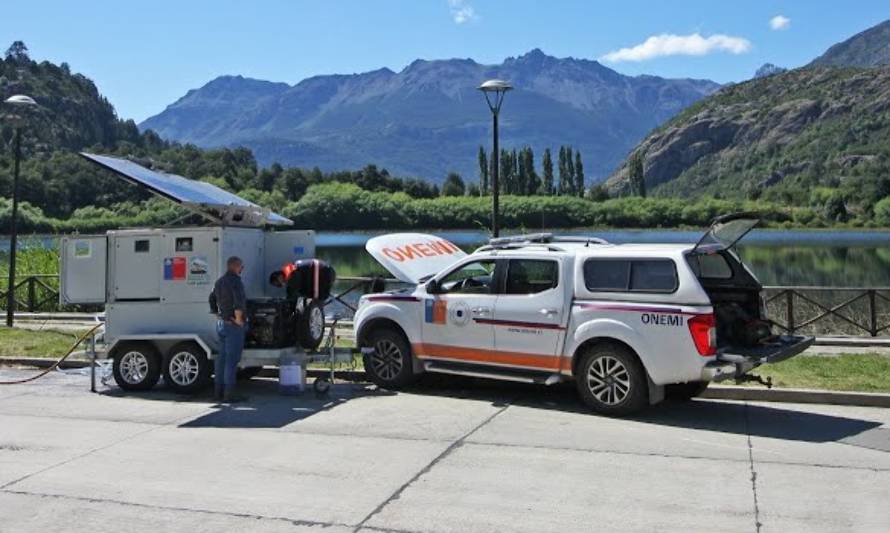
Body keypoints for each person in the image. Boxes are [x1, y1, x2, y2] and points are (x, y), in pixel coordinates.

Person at [210, 256, 248, 403]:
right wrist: (239, 320)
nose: (242, 269)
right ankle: (229, 394)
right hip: (233, 325)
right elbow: (238, 302)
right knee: (231, 360)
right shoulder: (236, 282)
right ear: (236, 266)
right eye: (241, 267)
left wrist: (217, 313)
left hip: (221, 324)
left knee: (221, 359)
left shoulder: (219, 281)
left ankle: (217, 392)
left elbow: (211, 298)